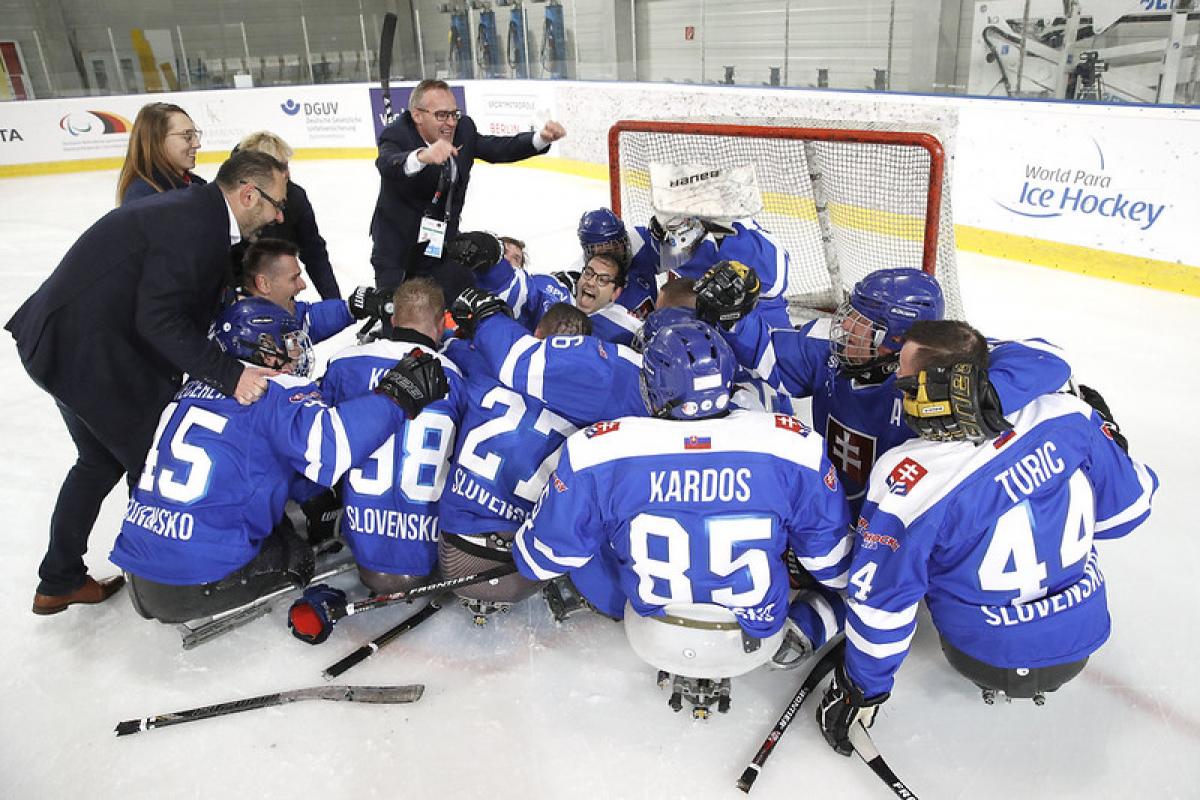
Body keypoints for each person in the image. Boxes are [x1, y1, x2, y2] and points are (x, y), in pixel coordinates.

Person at [816, 320, 1158, 755]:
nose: (895, 386)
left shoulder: (910, 478)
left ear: (934, 393)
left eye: (903, 379)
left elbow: (881, 605)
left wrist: (860, 690)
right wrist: (1114, 441)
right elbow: (1128, 514)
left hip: (979, 650)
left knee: (912, 558)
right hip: (1081, 637)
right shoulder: (1066, 417)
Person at [511, 320, 853, 714]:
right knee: (853, 576)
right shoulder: (793, 447)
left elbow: (542, 559)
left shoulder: (599, 450)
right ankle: (808, 626)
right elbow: (835, 568)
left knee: (599, 531)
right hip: (756, 633)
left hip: (653, 629)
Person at [7, 150, 288, 616]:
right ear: (247, 194)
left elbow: (171, 303)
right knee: (154, 462)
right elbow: (158, 319)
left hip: (58, 342)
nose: (279, 214)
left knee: (97, 462)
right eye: (276, 203)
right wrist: (230, 374)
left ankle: (58, 581)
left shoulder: (195, 212)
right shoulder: (196, 225)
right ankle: (165, 587)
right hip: (83, 354)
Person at [109, 297, 449, 623]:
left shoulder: (193, 387)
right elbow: (331, 449)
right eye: (286, 343)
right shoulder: (269, 388)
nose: (296, 351)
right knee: (296, 546)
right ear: (257, 345)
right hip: (192, 580)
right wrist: (396, 395)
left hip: (137, 568)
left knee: (276, 490)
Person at [697, 262, 1073, 512]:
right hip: (829, 504)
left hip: (897, 514)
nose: (845, 330)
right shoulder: (829, 351)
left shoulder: (940, 372)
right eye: (851, 317)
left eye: (863, 327)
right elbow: (770, 355)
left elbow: (1048, 358)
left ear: (900, 341)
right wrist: (734, 315)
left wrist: (988, 392)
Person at [437, 302, 590, 621]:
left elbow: (447, 343)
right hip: (523, 569)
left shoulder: (485, 361)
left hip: (455, 556)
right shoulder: (597, 403)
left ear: (534, 336)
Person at [320, 278, 467, 594]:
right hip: (427, 552)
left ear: (392, 318)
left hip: (362, 544)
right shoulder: (456, 376)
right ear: (441, 324)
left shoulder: (345, 362)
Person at [369, 78, 566, 303]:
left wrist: (540, 139)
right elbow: (386, 163)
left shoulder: (464, 129)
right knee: (398, 317)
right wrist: (422, 156)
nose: (451, 122)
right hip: (398, 249)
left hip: (440, 243)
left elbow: (498, 148)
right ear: (417, 115)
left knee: (466, 305)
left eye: (454, 114)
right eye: (442, 115)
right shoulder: (397, 133)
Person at [457, 232, 643, 345]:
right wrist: (491, 258)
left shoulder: (626, 326)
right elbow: (521, 290)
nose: (591, 282)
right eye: (588, 273)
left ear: (615, 293)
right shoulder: (552, 290)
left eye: (602, 279)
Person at [230, 131, 342, 300]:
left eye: (286, 166)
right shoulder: (230, 201)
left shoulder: (295, 197)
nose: (287, 173)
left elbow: (314, 253)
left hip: (280, 291)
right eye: (280, 167)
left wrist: (333, 300)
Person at [239, 237, 389, 345]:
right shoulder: (239, 334)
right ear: (264, 283)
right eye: (294, 278)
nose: (302, 285)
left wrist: (351, 307)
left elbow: (309, 319)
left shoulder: (283, 314)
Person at [116, 102, 206, 205]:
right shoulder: (143, 196)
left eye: (195, 135)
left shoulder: (197, 184)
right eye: (188, 136)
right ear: (157, 141)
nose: (197, 144)